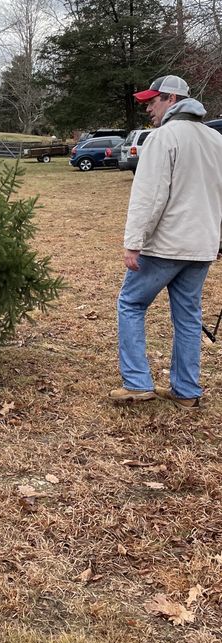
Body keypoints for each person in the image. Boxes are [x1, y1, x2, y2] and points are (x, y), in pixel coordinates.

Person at [109, 75, 222, 408]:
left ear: (171, 99)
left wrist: (133, 242)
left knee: (130, 304)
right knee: (188, 317)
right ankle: (186, 392)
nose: (148, 108)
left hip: (166, 246)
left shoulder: (162, 138)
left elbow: (149, 196)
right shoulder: (216, 139)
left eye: (152, 101)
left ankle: (137, 383)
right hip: (202, 247)